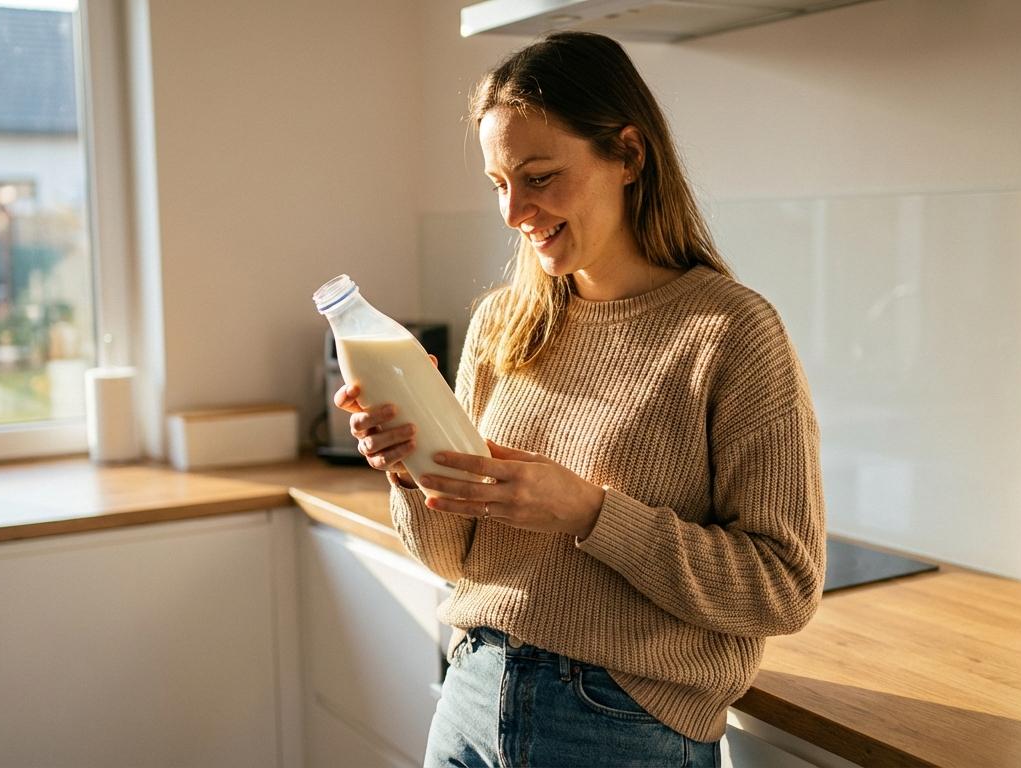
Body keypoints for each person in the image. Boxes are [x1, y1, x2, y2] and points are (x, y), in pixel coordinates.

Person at [334, 31, 825, 768]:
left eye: (538, 176)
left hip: (620, 725)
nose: (513, 210)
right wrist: (409, 469)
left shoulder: (730, 334)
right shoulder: (505, 324)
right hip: (471, 690)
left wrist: (593, 514)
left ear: (628, 155)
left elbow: (784, 588)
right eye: (499, 182)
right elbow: (456, 559)